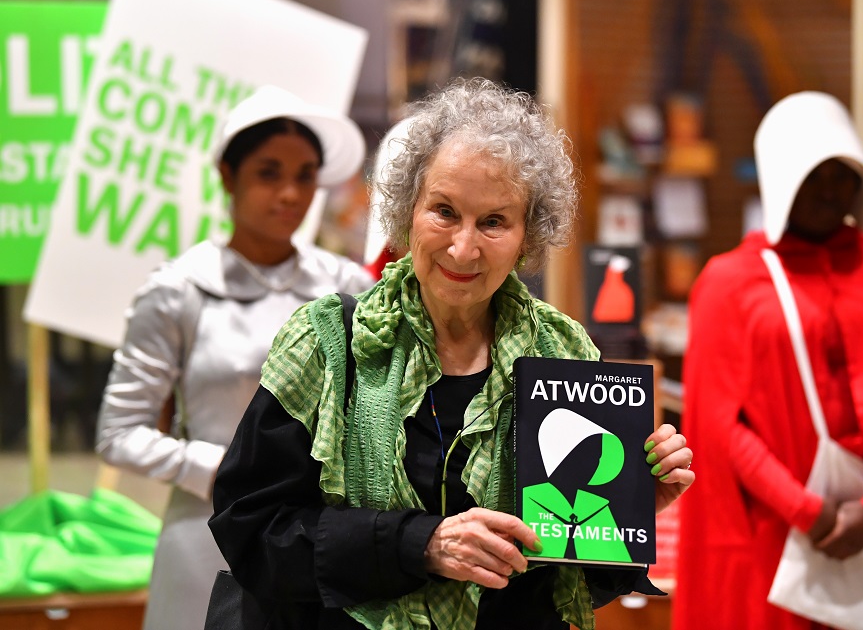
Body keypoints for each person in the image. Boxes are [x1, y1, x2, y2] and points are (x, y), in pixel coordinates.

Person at [208, 77, 695, 629]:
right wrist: (421, 544)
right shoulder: (326, 344)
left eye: (494, 221)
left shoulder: (565, 355)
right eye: (444, 211)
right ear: (406, 210)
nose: (464, 248)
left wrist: (631, 506)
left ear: (527, 236)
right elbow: (251, 531)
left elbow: (565, 584)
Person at [671, 91, 863, 630]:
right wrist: (804, 510)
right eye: (812, 172)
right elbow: (721, 424)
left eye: (843, 173)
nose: (829, 189)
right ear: (780, 176)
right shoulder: (729, 284)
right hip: (771, 539)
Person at [95, 84, 376, 630]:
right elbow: (118, 432)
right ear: (228, 175)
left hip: (315, 536)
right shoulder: (178, 289)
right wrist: (225, 469)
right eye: (269, 173)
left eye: (304, 176)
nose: (290, 193)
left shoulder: (345, 286)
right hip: (207, 531)